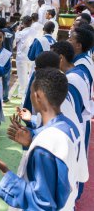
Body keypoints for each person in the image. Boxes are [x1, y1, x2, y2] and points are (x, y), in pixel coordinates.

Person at [0, 68, 88, 210]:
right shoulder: (71, 127)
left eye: (30, 92)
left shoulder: (45, 145)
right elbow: (77, 173)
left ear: (37, 96)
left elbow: (41, 204)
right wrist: (32, 140)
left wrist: (4, 170)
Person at [51, 41, 92, 198]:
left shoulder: (71, 80)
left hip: (73, 128)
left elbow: (71, 112)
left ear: (60, 58)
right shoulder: (77, 72)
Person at [14, 16, 34, 99]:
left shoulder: (20, 33)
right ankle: (28, 91)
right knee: (30, 74)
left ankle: (22, 93)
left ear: (23, 24)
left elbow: (14, 42)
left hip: (22, 56)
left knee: (22, 75)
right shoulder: (34, 31)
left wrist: (17, 30)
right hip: (31, 55)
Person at [0, 18, 15, 103]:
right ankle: (5, 97)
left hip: (0, 55)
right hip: (8, 55)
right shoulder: (11, 32)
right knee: (6, 78)